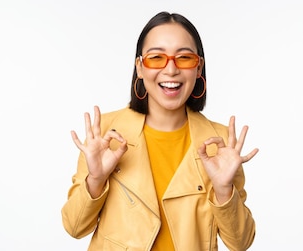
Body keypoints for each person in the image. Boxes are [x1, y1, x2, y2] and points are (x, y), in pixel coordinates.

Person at [61, 11, 259, 251]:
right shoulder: (104, 134)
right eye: (156, 57)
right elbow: (74, 227)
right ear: (140, 67)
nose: (171, 69)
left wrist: (224, 190)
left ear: (198, 68)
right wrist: (96, 179)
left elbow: (241, 242)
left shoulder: (222, 145)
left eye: (184, 58)